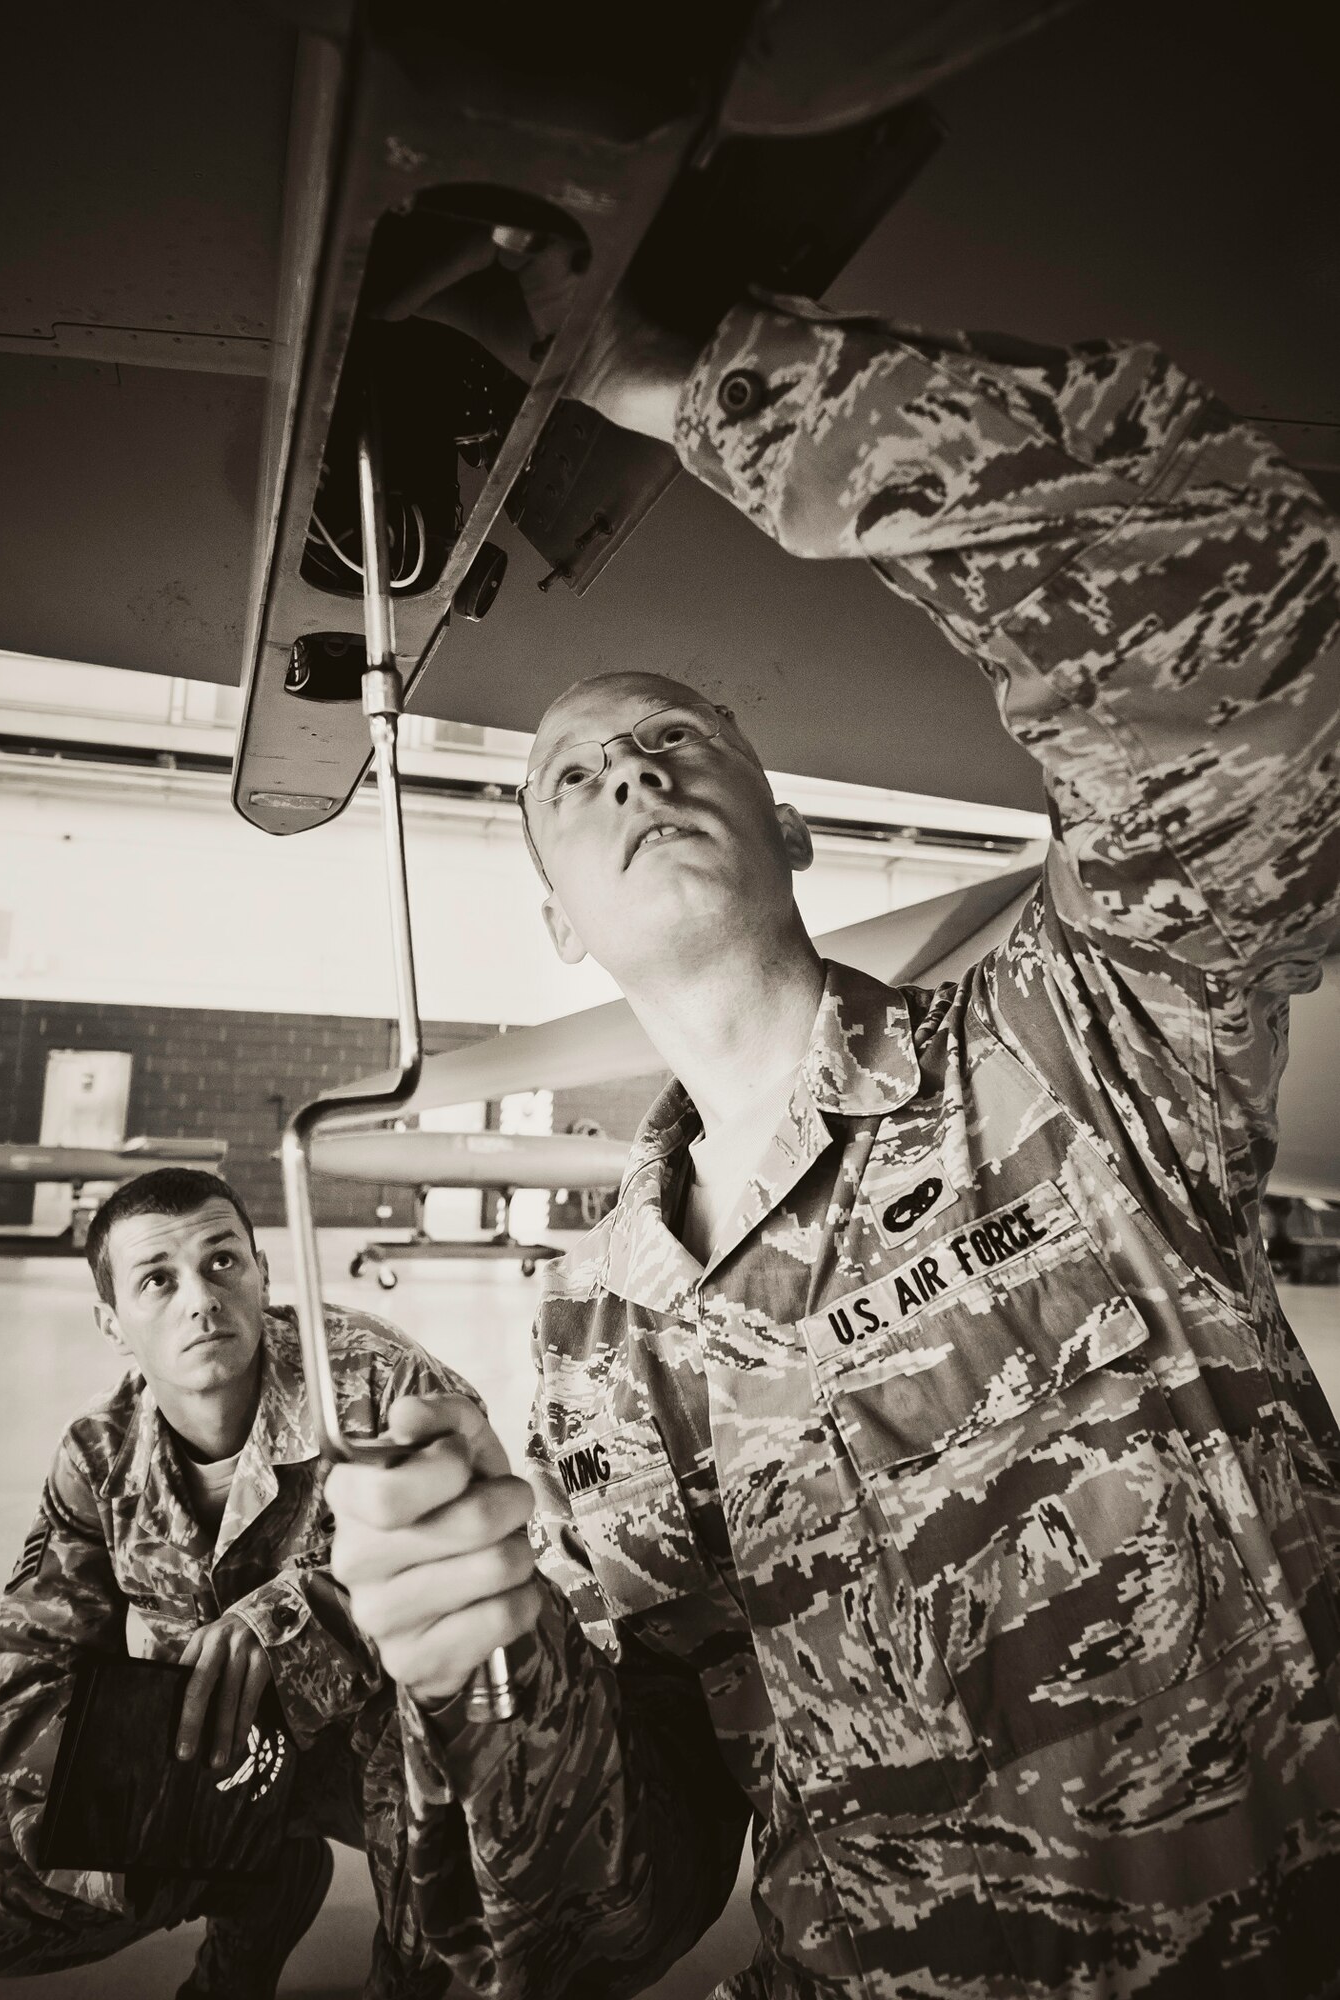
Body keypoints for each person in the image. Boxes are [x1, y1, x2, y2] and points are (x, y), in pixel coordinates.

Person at [326, 283, 1340, 2000]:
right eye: (571, 785)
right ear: (559, 922)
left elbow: (1240, 631)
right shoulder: (595, 1342)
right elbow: (630, 1895)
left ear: (785, 825)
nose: (628, 781)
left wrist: (675, 374)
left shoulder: (1072, 1031)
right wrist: (484, 1674)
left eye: (669, 742)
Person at [0, 1167, 461, 2000]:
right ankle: (257, 1892)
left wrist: (291, 1622)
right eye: (157, 1280)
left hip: (373, 1749)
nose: (200, 1299)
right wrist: (135, 1835)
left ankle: (411, 1981)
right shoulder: (97, 1460)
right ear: (113, 1323)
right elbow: (37, 1673)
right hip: (204, 1759)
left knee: (464, 1770)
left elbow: (483, 1565)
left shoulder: (371, 1382)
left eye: (222, 1263)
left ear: (263, 1276)